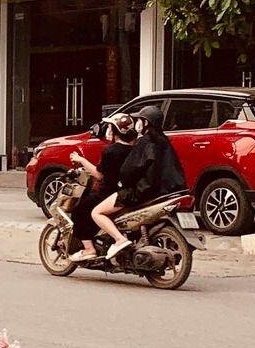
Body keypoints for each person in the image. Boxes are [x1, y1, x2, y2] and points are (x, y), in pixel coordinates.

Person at [98, 105, 188, 262]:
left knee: (97, 212)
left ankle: (120, 240)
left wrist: (121, 183)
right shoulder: (164, 141)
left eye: (139, 120)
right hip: (164, 192)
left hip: (142, 192)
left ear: (145, 123)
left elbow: (129, 170)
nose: (137, 123)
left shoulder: (145, 142)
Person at [70, 113, 135, 259]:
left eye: (111, 128)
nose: (109, 131)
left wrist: (80, 160)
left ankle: (89, 249)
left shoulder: (111, 151)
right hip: (128, 191)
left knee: (79, 211)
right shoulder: (135, 150)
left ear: (116, 131)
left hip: (109, 193)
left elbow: (99, 175)